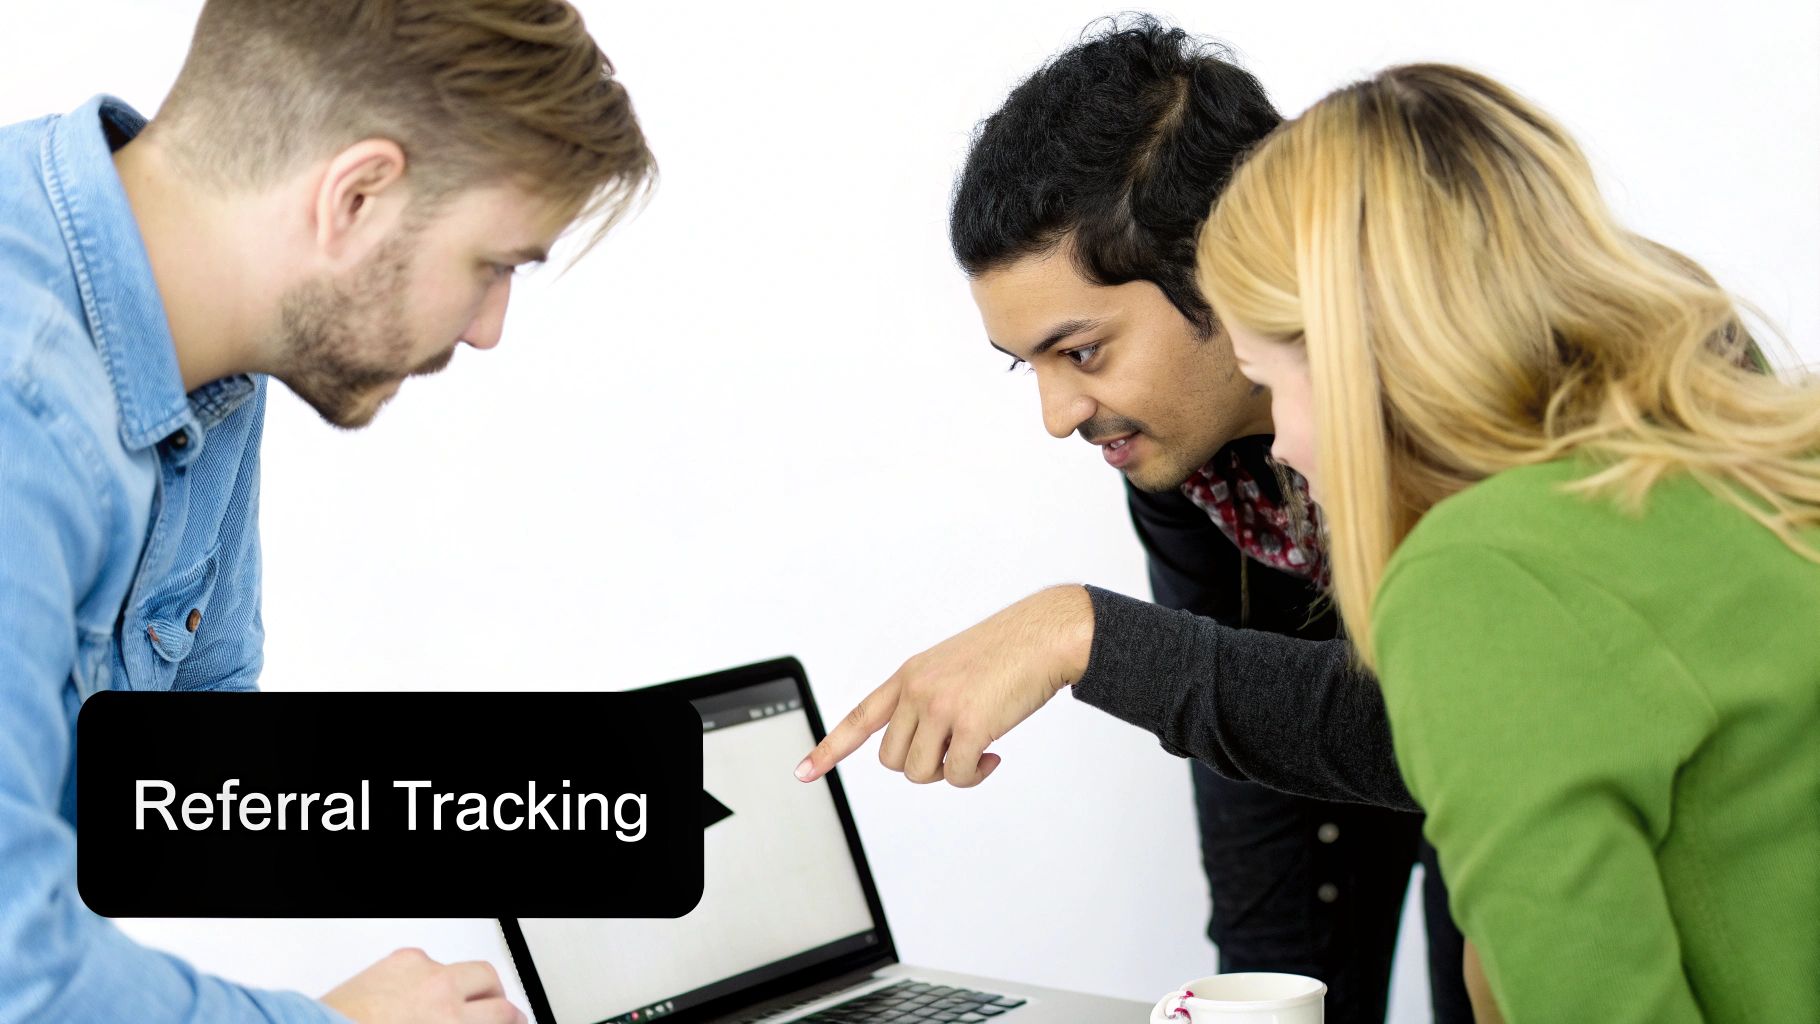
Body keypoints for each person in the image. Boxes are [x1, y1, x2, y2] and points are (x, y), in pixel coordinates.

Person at [795, 19, 1469, 1023]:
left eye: (1082, 352)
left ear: (1224, 265)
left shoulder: (1466, 397)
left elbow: (1467, 729)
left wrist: (1082, 631)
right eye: (1028, 364)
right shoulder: (1183, 455)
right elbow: (1248, 762)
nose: (1057, 413)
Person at [0, 1, 652, 1021]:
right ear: (356, 195)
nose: (489, 330)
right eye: (494, 265)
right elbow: (14, 969)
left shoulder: (205, 350)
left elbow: (174, 774)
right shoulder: (21, 398)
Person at [1197, 63, 1820, 1022]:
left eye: (1272, 380)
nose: (1279, 442)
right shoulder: (1750, 464)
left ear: (1355, 355)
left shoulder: (1475, 578)